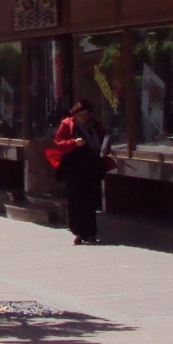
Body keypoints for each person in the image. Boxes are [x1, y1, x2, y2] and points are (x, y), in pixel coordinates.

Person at [47, 99, 108, 244]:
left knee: (90, 200)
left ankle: (91, 233)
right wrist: (74, 143)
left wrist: (106, 148)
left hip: (91, 167)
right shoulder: (68, 125)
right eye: (80, 115)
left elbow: (104, 139)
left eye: (86, 114)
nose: (84, 117)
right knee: (76, 200)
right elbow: (58, 143)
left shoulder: (95, 125)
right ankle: (78, 232)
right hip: (74, 169)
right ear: (75, 114)